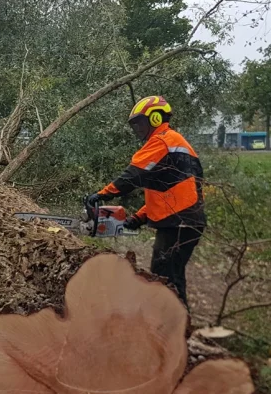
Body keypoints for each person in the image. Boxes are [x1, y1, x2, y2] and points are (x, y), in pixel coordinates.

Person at [87, 96, 206, 308]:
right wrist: (138, 218)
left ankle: (172, 329)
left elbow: (133, 174)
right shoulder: (171, 142)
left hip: (179, 222)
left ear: (155, 118)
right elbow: (167, 194)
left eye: (140, 123)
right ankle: (177, 326)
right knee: (171, 275)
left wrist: (103, 194)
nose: (138, 129)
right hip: (184, 220)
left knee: (164, 277)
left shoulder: (162, 140)